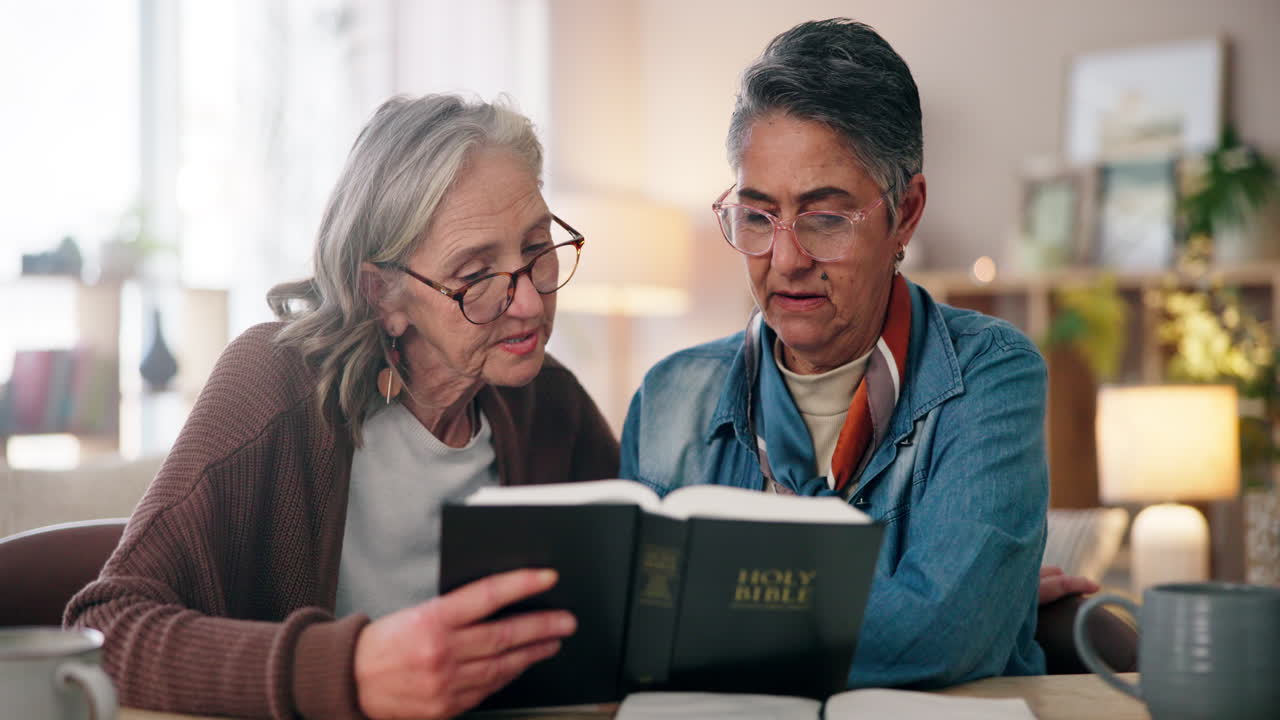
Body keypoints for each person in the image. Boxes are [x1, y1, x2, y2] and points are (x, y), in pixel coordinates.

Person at [66, 95, 618, 720]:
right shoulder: (274, 385)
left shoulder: (551, 403)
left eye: (538, 247)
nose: (529, 304)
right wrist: (347, 671)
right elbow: (103, 631)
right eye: (475, 274)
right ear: (382, 293)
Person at [620, 18, 1081, 689]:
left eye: (826, 218)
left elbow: (942, 633)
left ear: (906, 212)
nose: (786, 260)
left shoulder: (990, 375)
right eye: (757, 216)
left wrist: (695, 623)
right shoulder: (671, 398)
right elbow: (626, 636)